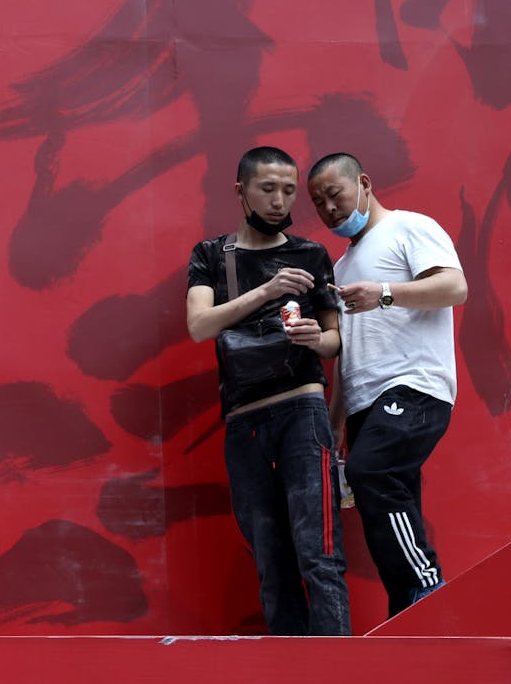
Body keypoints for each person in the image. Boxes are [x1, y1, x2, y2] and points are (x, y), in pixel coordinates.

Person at [186, 146, 349, 635]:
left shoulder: (310, 253)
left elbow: (336, 340)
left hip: (302, 412)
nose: (280, 200)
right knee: (271, 564)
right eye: (267, 188)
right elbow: (198, 325)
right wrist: (267, 291)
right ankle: (292, 667)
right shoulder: (211, 255)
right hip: (244, 423)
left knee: (319, 554)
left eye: (288, 190)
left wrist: (316, 339)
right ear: (241, 191)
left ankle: (337, 671)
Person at [306, 153, 467, 617]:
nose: (329, 209)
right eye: (319, 203)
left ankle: (427, 587)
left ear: (364, 183)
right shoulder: (339, 267)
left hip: (415, 387)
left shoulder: (408, 228)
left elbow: (455, 288)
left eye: (334, 194)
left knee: (371, 472)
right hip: (363, 404)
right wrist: (335, 420)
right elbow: (350, 350)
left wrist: (387, 293)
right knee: (390, 504)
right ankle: (411, 612)